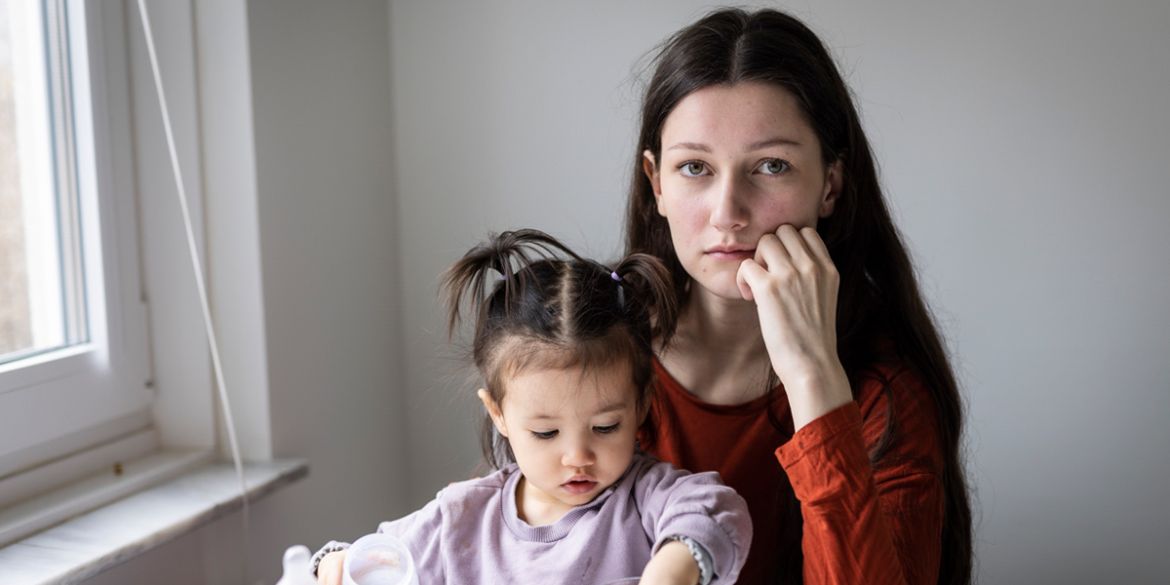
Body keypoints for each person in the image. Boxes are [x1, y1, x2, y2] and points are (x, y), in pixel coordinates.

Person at [625, 7, 973, 585]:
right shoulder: (587, 346)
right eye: (694, 168)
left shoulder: (886, 390)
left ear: (830, 185)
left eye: (771, 165)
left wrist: (815, 378)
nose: (728, 213)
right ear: (655, 181)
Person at [312, 229, 752, 585]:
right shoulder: (461, 520)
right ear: (498, 414)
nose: (577, 456)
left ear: (641, 404)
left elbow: (716, 511)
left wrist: (672, 569)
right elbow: (374, 556)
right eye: (545, 433)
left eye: (605, 427)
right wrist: (335, 565)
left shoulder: (646, 501)